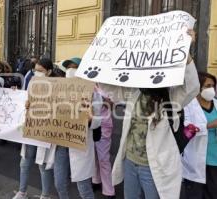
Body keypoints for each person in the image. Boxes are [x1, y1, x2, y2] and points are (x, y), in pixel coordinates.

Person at [98, 30, 199, 199]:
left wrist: (185, 53)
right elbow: (110, 90)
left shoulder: (171, 98)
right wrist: (100, 57)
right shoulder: (135, 92)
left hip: (154, 168)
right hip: (130, 162)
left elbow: (192, 87)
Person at [40, 57, 102, 199]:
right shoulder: (59, 89)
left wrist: (91, 118)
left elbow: (98, 122)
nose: (70, 71)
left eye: (74, 67)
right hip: (61, 143)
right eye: (68, 68)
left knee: (83, 187)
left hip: (79, 143)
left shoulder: (93, 93)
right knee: (59, 183)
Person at [12, 58, 55, 199]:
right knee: (25, 161)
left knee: (43, 164)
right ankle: (22, 191)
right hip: (31, 128)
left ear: (49, 71)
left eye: (41, 71)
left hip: (46, 129)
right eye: (36, 70)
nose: (37, 73)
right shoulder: (32, 83)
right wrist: (17, 97)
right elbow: (26, 98)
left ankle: (45, 195)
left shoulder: (58, 86)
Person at [181, 72, 217, 199]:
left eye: (213, 86)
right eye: (207, 86)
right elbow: (187, 129)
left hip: (214, 161)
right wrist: (209, 125)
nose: (211, 89)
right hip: (196, 162)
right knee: (195, 195)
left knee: (213, 194)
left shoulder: (216, 104)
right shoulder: (188, 106)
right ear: (199, 87)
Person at [92, 85, 115, 199]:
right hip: (88, 125)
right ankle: (96, 180)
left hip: (103, 125)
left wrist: (102, 97)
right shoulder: (83, 84)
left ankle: (109, 190)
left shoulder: (107, 85)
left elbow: (112, 105)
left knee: (103, 158)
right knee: (93, 156)